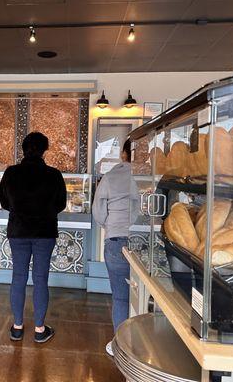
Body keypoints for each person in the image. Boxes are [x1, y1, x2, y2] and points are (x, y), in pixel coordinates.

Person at [0, 132, 67, 343]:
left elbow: (4, 202)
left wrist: (20, 210)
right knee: (40, 279)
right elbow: (61, 204)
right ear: (44, 150)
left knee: (18, 277)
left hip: (18, 231)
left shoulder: (11, 173)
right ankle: (39, 329)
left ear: (24, 149)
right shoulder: (54, 175)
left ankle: (17, 327)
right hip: (44, 233)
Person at [92, 139, 138, 356]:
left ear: (123, 153)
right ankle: (141, 345)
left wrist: (110, 226)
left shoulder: (110, 176)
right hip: (144, 241)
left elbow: (98, 210)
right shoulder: (147, 175)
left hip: (115, 241)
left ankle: (120, 346)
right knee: (145, 296)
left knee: (120, 296)